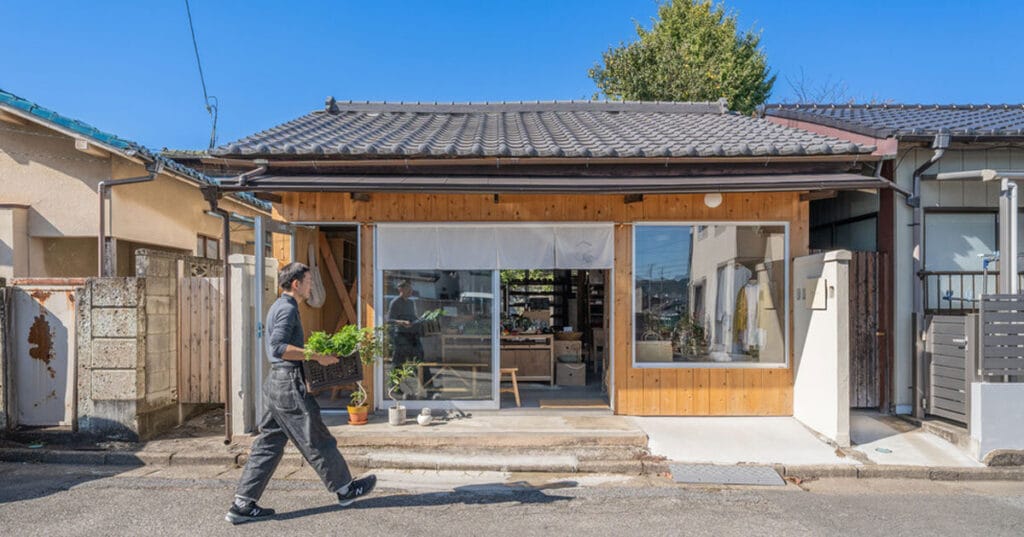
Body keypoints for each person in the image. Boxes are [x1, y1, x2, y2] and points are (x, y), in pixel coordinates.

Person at [226, 262, 376, 525]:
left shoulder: (279, 306)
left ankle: (242, 504)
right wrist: (318, 356)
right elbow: (280, 347)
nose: (310, 286)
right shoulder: (286, 309)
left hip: (276, 384)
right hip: (287, 383)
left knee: (269, 444)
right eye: (308, 282)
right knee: (316, 436)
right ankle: (345, 489)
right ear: (296, 284)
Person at [387, 279, 423, 366]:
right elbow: (389, 320)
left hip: (412, 335)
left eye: (411, 288)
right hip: (400, 336)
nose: (411, 290)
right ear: (400, 289)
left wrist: (420, 319)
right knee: (398, 362)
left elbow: (413, 317)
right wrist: (402, 322)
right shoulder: (395, 302)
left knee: (420, 357)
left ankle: (425, 378)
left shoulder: (411, 303)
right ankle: (394, 379)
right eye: (408, 288)